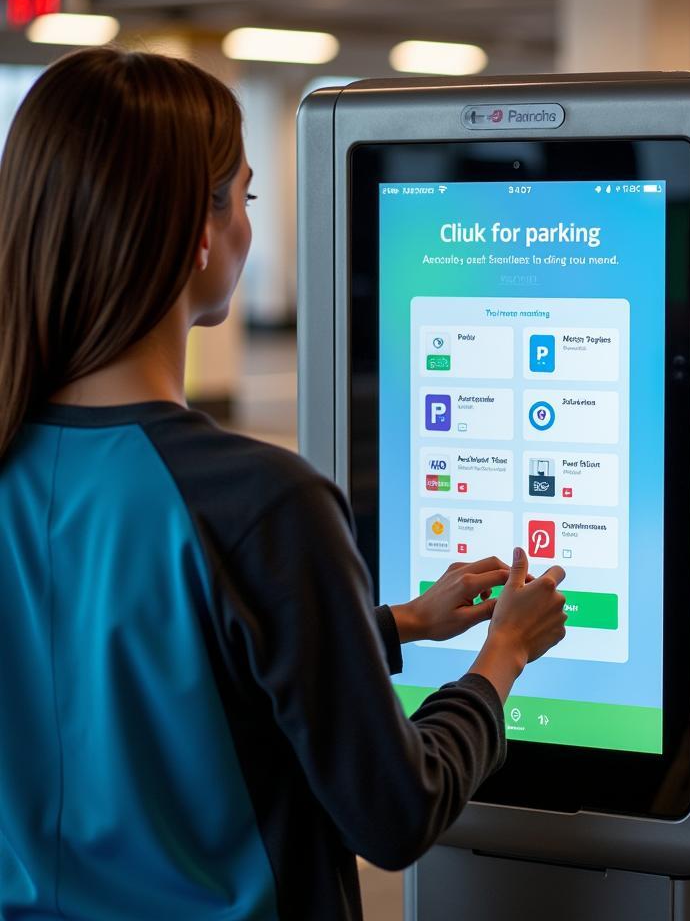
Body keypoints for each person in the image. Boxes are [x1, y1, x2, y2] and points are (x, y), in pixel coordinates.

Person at [0, 48, 568, 920]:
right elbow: (394, 811)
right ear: (200, 229)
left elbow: (150, 677)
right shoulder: (260, 503)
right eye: (246, 197)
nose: (248, 224)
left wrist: (394, 625)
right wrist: (502, 660)